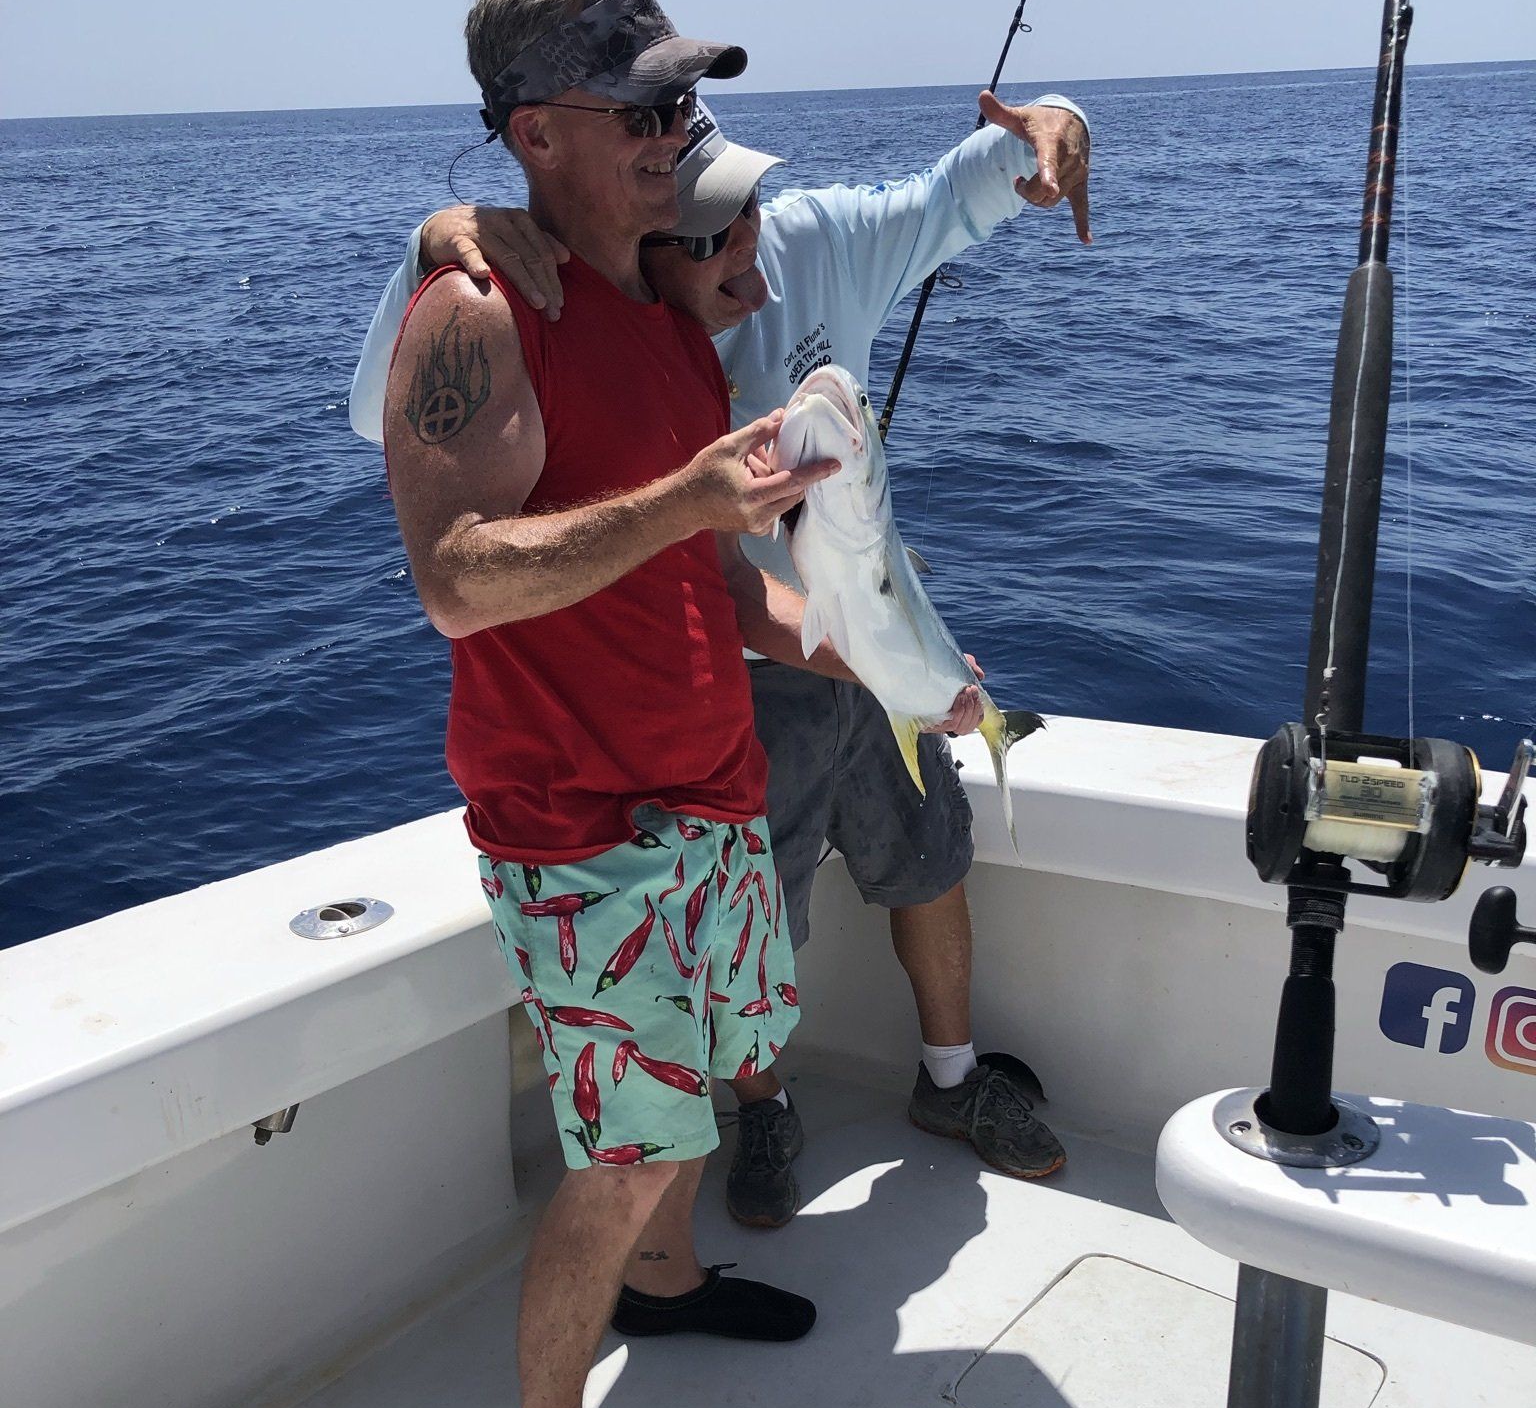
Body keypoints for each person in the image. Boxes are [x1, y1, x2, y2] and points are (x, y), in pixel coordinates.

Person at [381, 0, 983, 1408]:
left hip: (704, 780)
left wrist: (851, 654)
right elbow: (457, 575)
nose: (681, 130)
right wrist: (689, 501)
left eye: (687, 98)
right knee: (623, 1145)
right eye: (644, 106)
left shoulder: (657, 315)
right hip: (582, 828)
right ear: (535, 132)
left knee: (721, 1066)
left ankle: (666, 1288)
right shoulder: (476, 310)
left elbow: (712, 578)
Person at [355, 62, 1091, 1232]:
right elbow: (394, 426)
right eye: (707, 240)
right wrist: (436, 248)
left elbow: (968, 184)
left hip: (868, 634)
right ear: (642, 252)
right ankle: (768, 1108)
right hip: (735, 677)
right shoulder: (584, 320)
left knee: (929, 856)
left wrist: (1054, 130)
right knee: (769, 922)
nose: (744, 244)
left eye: (743, 209)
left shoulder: (813, 238)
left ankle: (954, 1079)